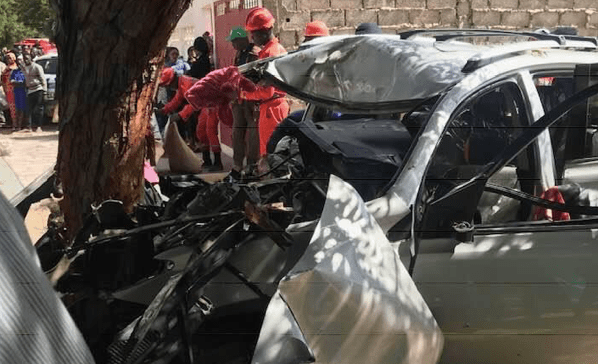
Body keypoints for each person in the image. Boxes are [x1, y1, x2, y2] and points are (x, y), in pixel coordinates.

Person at [241, 7, 289, 156]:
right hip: (275, 107)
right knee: (277, 152)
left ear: (264, 31)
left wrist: (244, 94)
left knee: (270, 154)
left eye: (253, 32)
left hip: (271, 109)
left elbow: (267, 91)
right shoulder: (276, 49)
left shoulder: (270, 53)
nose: (251, 37)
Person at [227, 26, 260, 176]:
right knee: (237, 132)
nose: (232, 45)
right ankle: (237, 165)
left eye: (234, 41)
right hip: (239, 100)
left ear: (241, 39)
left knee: (253, 134)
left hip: (251, 101)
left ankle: (252, 166)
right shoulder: (239, 54)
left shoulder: (255, 54)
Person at [156, 67, 198, 143]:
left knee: (201, 130)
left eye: (168, 86)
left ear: (173, 80)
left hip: (207, 106)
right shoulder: (182, 83)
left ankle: (196, 143)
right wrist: (164, 110)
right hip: (201, 105)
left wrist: (179, 115)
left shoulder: (186, 85)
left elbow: (193, 105)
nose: (168, 88)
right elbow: (177, 100)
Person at [22, 53, 46, 132]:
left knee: (38, 109)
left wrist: (44, 91)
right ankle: (29, 127)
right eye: (24, 58)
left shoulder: (37, 67)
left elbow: (43, 79)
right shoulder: (24, 68)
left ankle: (39, 126)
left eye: (27, 58)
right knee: (29, 109)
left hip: (38, 89)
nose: (26, 60)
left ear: (31, 58)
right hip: (29, 90)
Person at [10, 57, 27, 131]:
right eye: (18, 61)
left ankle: (22, 125)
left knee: (24, 109)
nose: (19, 62)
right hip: (17, 91)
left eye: (21, 61)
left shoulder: (26, 70)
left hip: (25, 91)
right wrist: (18, 83)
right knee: (18, 109)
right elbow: (11, 81)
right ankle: (17, 125)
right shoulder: (14, 71)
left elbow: (27, 81)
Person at [1, 53, 18, 127]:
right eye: (8, 58)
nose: (9, 59)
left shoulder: (16, 68)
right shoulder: (6, 68)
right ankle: (13, 123)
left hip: (15, 90)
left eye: (11, 58)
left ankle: (16, 124)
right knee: (11, 108)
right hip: (8, 91)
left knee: (16, 108)